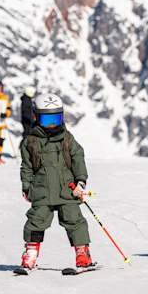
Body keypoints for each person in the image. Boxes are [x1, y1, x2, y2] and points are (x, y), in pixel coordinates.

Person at [18, 93, 93, 271]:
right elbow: (27, 167)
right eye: (47, 120)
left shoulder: (67, 138)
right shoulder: (30, 142)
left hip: (67, 189)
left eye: (56, 119)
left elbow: (78, 158)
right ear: (36, 117)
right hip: (41, 190)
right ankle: (31, 254)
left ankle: (82, 254)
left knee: (74, 220)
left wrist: (80, 181)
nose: (52, 125)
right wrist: (27, 187)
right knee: (36, 221)